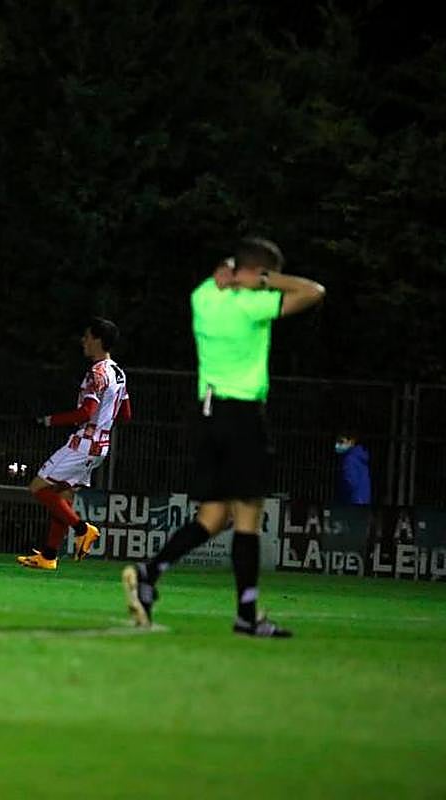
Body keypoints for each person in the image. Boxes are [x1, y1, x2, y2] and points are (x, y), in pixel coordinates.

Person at [122, 238, 325, 637]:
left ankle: (149, 573)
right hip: (242, 414)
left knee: (213, 517)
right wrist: (266, 280)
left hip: (206, 414)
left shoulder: (203, 298)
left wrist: (234, 271)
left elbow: (220, 277)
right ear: (254, 273)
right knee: (248, 514)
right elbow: (313, 292)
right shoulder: (249, 306)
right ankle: (246, 615)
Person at [18, 318, 128, 570]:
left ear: (98, 340)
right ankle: (48, 556)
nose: (83, 341)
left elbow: (85, 412)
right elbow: (126, 414)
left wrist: (46, 421)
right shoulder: (118, 372)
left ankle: (82, 529)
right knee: (61, 496)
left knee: (38, 487)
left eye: (87, 336)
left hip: (84, 443)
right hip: (101, 445)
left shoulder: (96, 372)